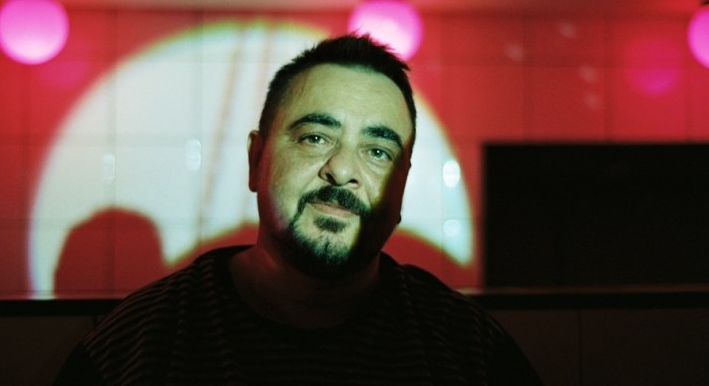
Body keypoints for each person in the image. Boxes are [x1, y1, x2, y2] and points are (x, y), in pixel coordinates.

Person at [55, 34, 542, 385]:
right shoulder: (139, 345)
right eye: (315, 138)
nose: (342, 170)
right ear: (256, 161)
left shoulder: (468, 348)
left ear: (401, 187)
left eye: (377, 151)